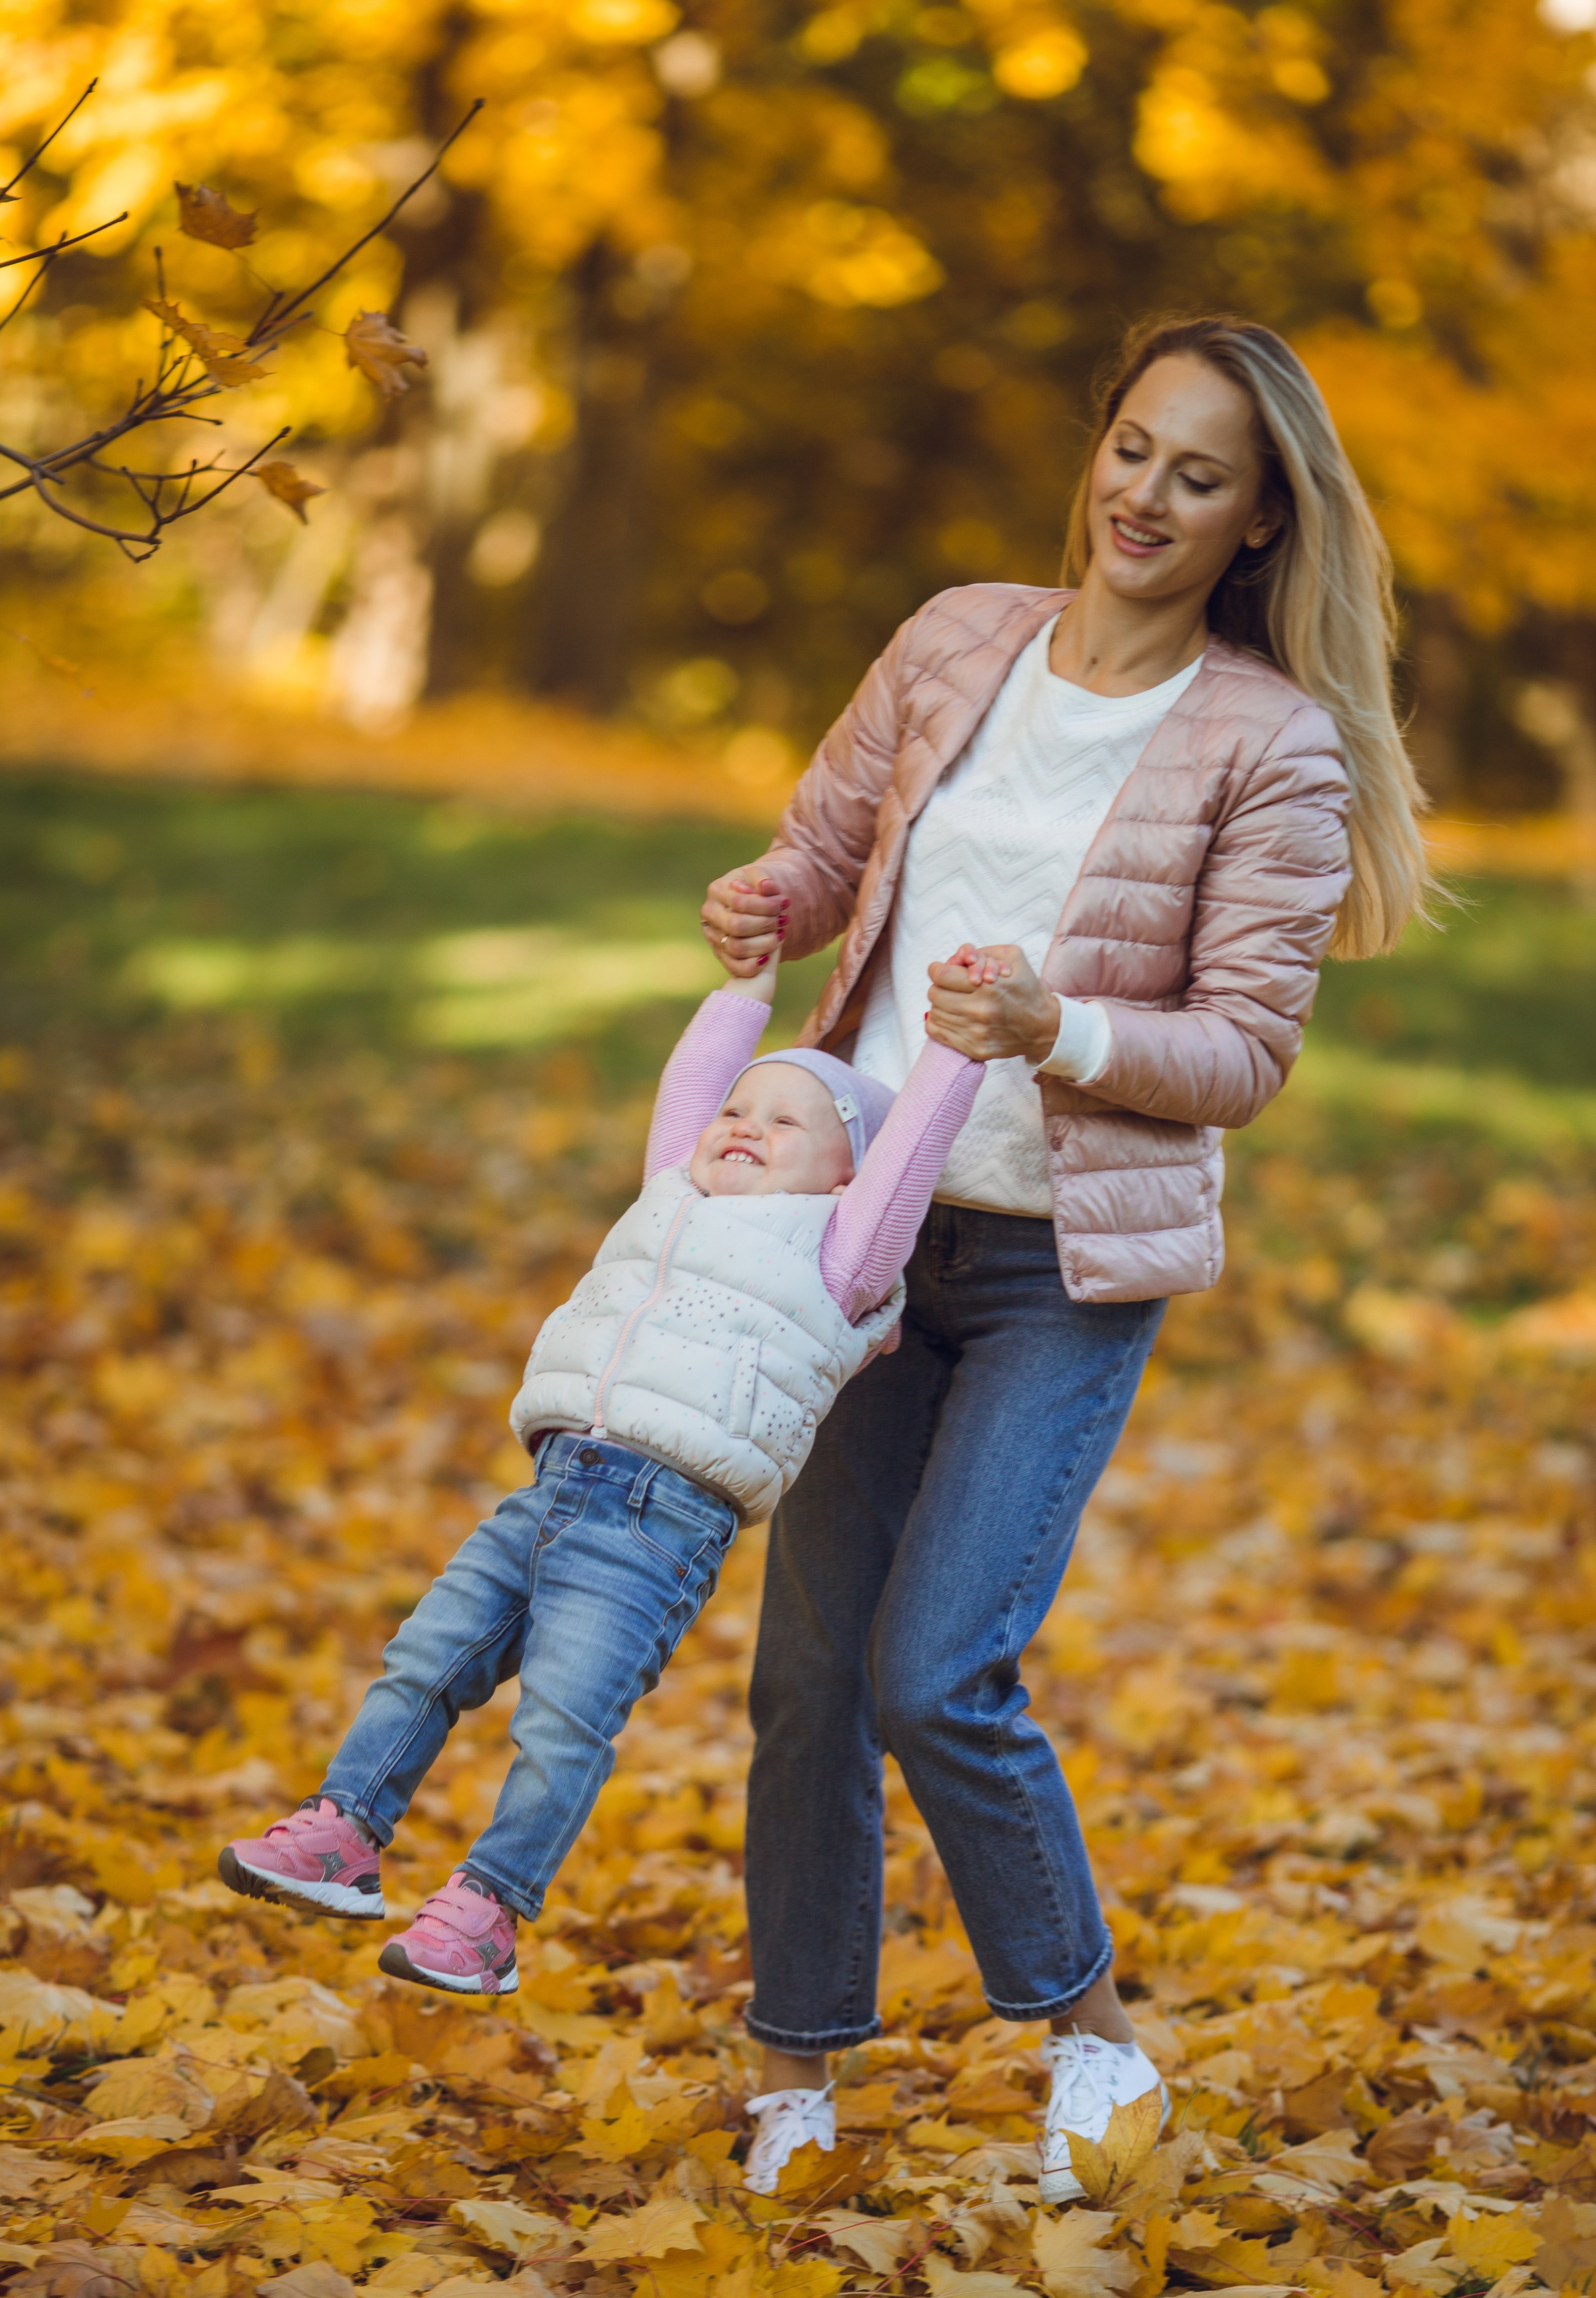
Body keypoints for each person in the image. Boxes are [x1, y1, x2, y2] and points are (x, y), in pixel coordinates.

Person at [701, 313, 1430, 2202]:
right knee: (807, 1678)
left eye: (1199, 478)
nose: (1145, 499)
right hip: (860, 1235)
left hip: (1059, 1263)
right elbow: (828, 849)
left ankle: (1090, 2036)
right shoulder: (957, 638)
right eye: (1131, 450)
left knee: (937, 1670)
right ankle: (794, 2069)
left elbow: (1244, 1052)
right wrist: (768, 901)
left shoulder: (1270, 744)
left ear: (1259, 522)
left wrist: (1060, 1031)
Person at [216, 934, 993, 2020]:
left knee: (561, 1722)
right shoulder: (669, 1199)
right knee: (424, 1660)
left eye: (786, 1123)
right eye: (739, 1111)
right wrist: (745, 988)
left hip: (656, 1526)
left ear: (846, 1173)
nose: (744, 1126)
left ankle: (487, 1912)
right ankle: (344, 1831)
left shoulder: (840, 1253)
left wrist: (960, 1046)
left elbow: (911, 1149)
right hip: (549, 1488)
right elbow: (688, 1093)